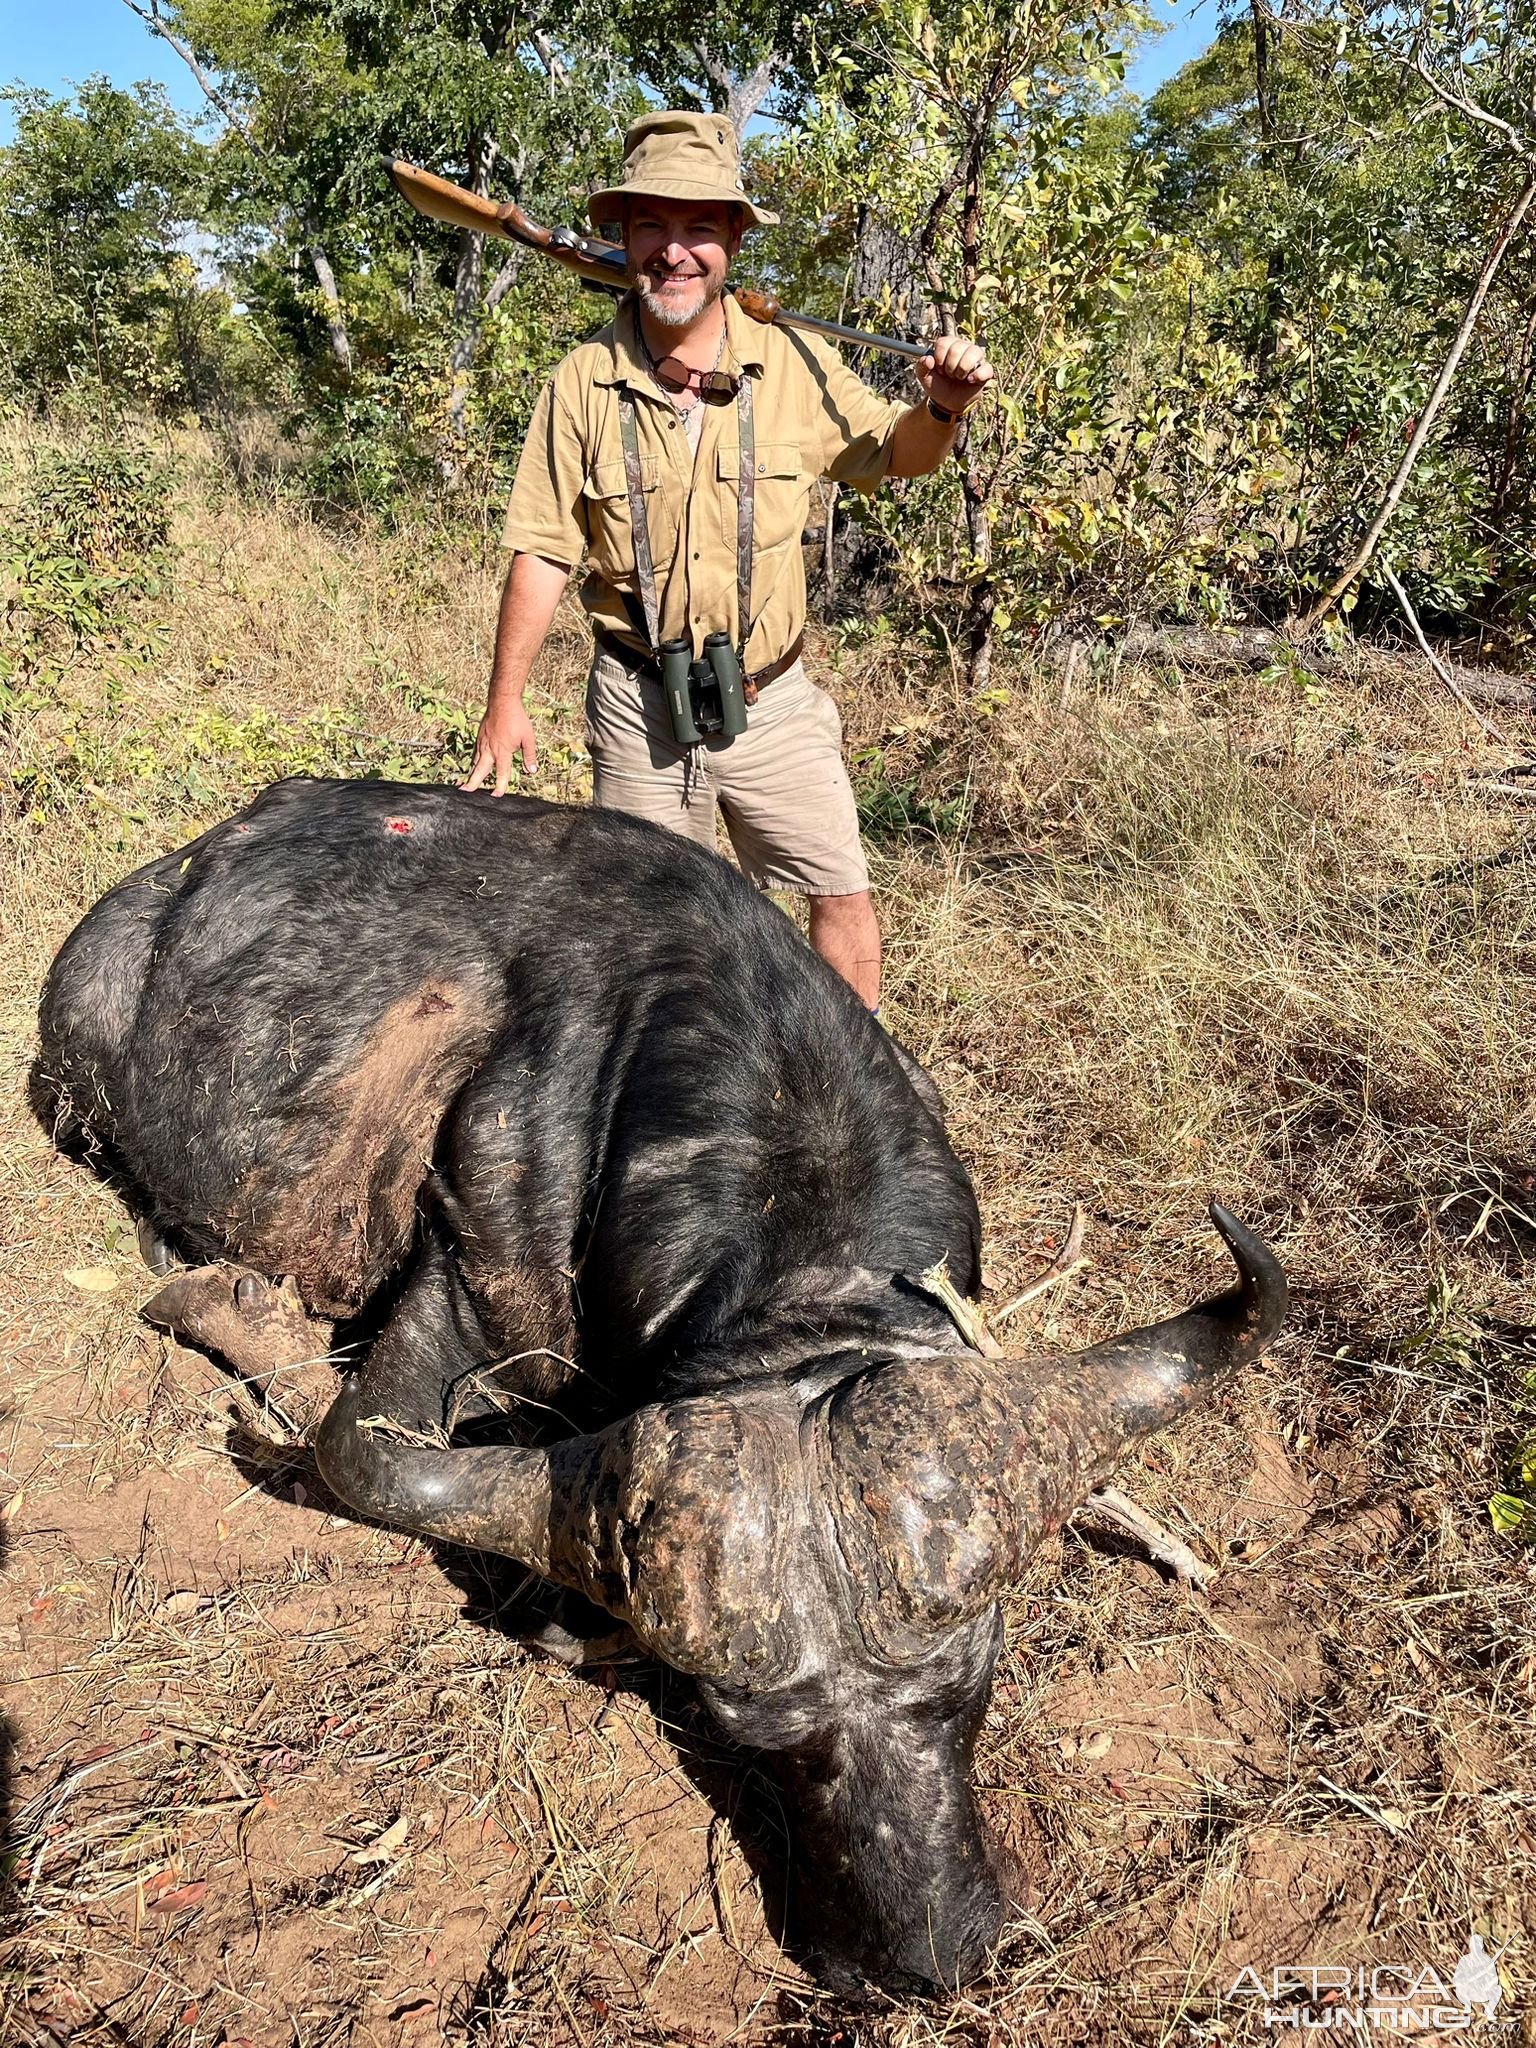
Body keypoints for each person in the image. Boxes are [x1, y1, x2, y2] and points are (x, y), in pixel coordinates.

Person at [462, 110, 993, 1007]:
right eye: (652, 227)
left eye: (700, 227)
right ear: (622, 236)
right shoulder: (580, 381)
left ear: (735, 239)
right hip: (639, 705)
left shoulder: (794, 360)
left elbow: (895, 450)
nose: (676, 252)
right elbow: (543, 550)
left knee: (841, 897)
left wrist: (941, 408)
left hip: (773, 698)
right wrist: (504, 702)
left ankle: (849, 1090)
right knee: (638, 927)